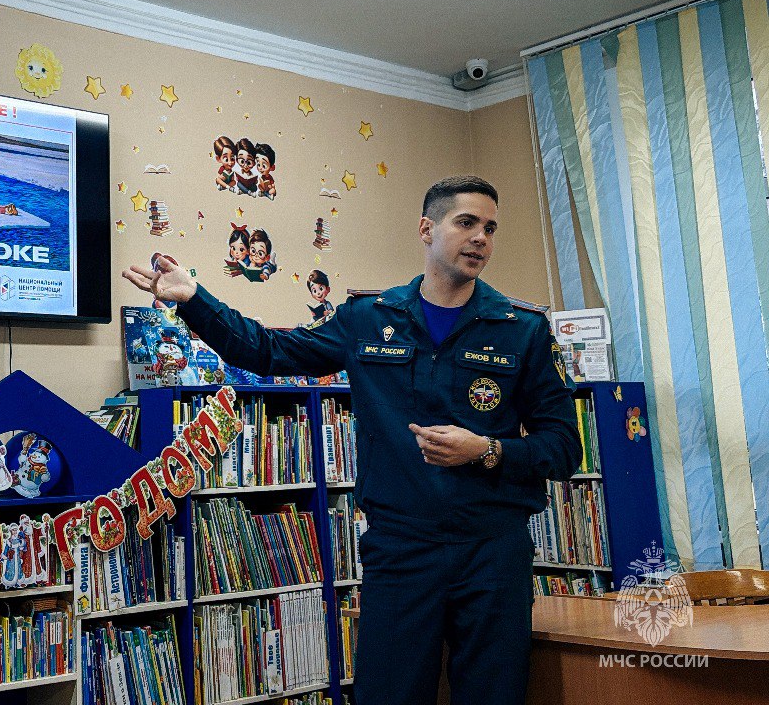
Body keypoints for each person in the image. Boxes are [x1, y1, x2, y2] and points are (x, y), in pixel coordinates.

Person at [122, 175, 579, 705]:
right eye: (467, 222)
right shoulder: (368, 318)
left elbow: (564, 449)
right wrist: (196, 301)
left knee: (493, 695)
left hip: (494, 552)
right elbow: (269, 352)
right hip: (401, 550)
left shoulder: (520, 328)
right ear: (427, 230)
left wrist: (489, 450)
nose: (481, 237)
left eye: (491, 228)